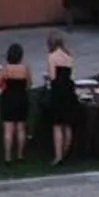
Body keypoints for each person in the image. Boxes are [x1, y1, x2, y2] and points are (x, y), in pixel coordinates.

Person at [43, 32, 83, 166]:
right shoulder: (69, 56)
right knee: (67, 124)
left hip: (58, 92)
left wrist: (47, 77)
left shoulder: (52, 57)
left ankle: (58, 156)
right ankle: (66, 152)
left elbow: (53, 77)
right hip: (69, 90)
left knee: (57, 125)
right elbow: (70, 75)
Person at [0, 40, 32, 164]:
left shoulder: (5, 69)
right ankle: (20, 155)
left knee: (8, 130)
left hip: (8, 99)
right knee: (21, 128)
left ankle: (7, 157)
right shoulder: (25, 69)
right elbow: (29, 85)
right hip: (21, 98)